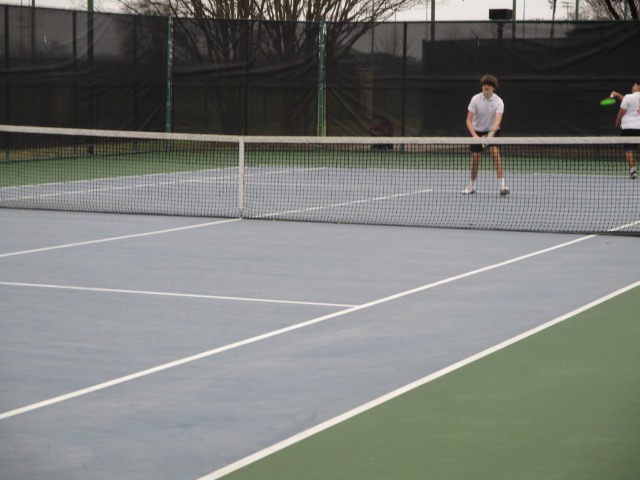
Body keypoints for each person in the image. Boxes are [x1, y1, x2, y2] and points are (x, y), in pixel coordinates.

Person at [463, 74, 509, 195]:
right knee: (475, 158)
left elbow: (497, 121)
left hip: (492, 131)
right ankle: (472, 186)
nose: (486, 86)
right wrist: (475, 136)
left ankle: (503, 186)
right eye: (484, 84)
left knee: (495, 153)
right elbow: (468, 120)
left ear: (493, 87)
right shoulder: (475, 99)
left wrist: (490, 136)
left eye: (489, 84)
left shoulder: (499, 101)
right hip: (477, 131)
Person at [611, 81, 640, 179]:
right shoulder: (628, 98)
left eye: (634, 85)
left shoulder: (628, 97)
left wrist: (618, 120)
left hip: (628, 127)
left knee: (629, 149)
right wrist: (617, 94)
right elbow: (627, 101)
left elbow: (622, 111)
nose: (632, 86)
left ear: (638, 86)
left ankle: (633, 170)